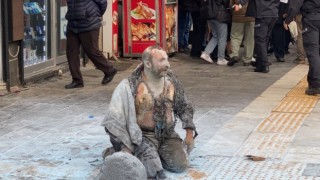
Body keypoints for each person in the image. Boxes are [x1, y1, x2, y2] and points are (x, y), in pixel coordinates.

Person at [100, 45, 197, 179]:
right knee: (153, 171)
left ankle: (150, 155)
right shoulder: (130, 85)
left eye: (167, 59)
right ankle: (119, 153)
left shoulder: (171, 82)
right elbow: (113, 119)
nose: (168, 65)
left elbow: (184, 106)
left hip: (167, 134)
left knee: (180, 165)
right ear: (148, 64)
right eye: (162, 60)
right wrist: (125, 146)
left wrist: (189, 132)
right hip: (143, 137)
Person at [64, 0, 117, 89]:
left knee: (91, 50)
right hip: (73, 24)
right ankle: (77, 80)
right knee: (71, 53)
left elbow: (103, 2)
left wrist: (94, 15)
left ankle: (109, 70)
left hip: (89, 23)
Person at [284, 0, 320, 95]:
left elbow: (295, 2)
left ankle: (316, 84)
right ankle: (314, 81)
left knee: (313, 52)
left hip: (311, 19)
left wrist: (288, 19)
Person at [240, 0, 280, 73]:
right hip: (273, 12)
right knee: (265, 39)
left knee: (260, 40)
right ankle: (259, 61)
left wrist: (240, 3)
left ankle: (264, 65)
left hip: (262, 13)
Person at [200, 0, 232, 65]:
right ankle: (221, 58)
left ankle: (206, 53)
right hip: (219, 14)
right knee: (222, 37)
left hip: (209, 14)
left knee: (216, 36)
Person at [227, 0, 255, 66]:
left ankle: (234, 55)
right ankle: (248, 59)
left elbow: (231, 4)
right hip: (251, 16)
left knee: (235, 36)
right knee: (250, 39)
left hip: (237, 16)